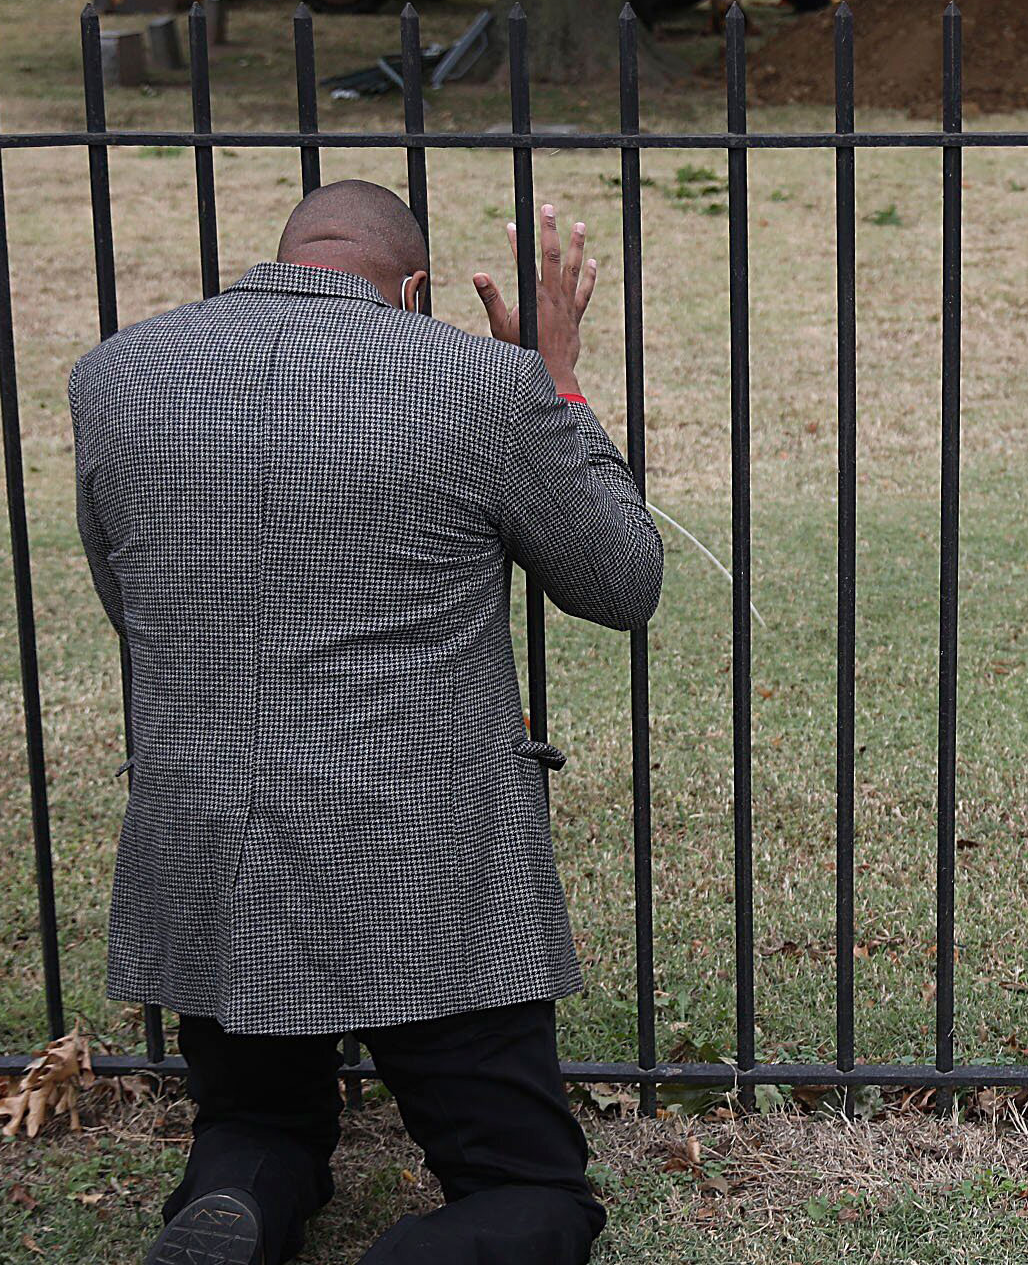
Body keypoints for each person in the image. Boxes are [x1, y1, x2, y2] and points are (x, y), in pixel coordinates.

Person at [76, 181, 663, 1265]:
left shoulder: (117, 377)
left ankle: (241, 1201)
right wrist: (558, 379)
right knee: (525, 1182)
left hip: (211, 839)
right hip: (421, 856)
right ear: (417, 288)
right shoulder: (482, 384)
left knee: (253, 1117)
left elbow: (136, 605)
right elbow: (622, 580)